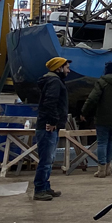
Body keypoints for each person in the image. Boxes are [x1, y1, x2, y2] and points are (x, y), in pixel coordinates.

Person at [34, 57, 70, 201]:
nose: (68, 71)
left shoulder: (53, 81)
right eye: (67, 67)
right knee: (46, 160)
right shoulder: (54, 82)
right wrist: (53, 121)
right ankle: (39, 189)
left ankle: (45, 186)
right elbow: (50, 102)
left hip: (50, 125)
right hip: (48, 126)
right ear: (59, 68)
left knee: (49, 159)